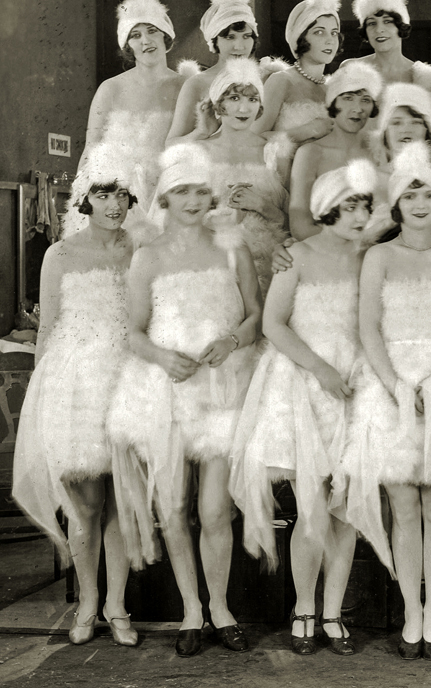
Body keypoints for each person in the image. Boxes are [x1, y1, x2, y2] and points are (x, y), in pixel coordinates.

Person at [106, 143, 261, 658]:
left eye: (200, 190)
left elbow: (255, 314)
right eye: (181, 191)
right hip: (166, 389)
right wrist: (162, 356)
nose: (193, 200)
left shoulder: (232, 246)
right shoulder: (146, 256)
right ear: (164, 199)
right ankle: (191, 611)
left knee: (215, 509)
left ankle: (220, 607)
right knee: (172, 506)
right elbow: (131, 332)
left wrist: (233, 340)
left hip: (221, 387)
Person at [231, 160, 377, 656]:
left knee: (347, 511)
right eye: (348, 207)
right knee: (312, 509)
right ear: (327, 210)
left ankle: (334, 614)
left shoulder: (370, 259)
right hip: (305, 386)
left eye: (364, 206)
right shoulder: (296, 256)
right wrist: (320, 369)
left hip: (356, 388)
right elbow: (273, 323)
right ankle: (304, 610)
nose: (358, 216)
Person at [344, 143, 431, 661]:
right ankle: (410, 610)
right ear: (396, 203)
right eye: (409, 194)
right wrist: (395, 385)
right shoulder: (378, 255)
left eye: (427, 192)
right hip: (391, 385)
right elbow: (367, 326)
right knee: (403, 503)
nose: (419, 202)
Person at [12, 144, 144, 648]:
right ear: (86, 198)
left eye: (122, 194)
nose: (114, 204)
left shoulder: (140, 250)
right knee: (86, 504)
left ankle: (117, 604)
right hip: (76, 386)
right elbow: (47, 332)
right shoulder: (60, 253)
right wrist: (42, 402)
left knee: (121, 503)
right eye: (104, 193)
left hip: (128, 383)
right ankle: (88, 601)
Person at [82, 0, 186, 212]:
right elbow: (91, 149)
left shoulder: (185, 86)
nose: (145, 41)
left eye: (152, 31)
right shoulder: (110, 89)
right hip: (120, 197)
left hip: (169, 194)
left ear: (164, 35)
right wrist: (82, 203)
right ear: (127, 45)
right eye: (135, 35)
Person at [197, 58, 290, 295]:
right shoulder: (199, 152)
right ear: (219, 105)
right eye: (234, 98)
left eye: (252, 99)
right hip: (215, 265)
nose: (243, 108)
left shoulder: (274, 151)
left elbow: (291, 223)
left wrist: (261, 205)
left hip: (272, 267)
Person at [289, 62, 383, 240]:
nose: (357, 108)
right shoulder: (310, 153)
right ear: (333, 101)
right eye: (348, 98)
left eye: (365, 100)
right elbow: (299, 226)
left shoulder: (378, 152)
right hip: (324, 253)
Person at [165, 0, 259, 146]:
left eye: (246, 36)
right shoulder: (197, 83)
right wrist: (202, 132)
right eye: (230, 37)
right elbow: (171, 144)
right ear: (215, 41)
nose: (240, 46)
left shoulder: (265, 77)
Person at [252, 0, 340, 146]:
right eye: (319, 32)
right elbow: (253, 140)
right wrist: (307, 130)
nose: (330, 40)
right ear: (300, 37)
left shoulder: (333, 88)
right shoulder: (282, 81)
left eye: (334, 32)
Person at [343, 0, 431, 99]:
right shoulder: (351, 68)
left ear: (401, 26)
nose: (379, 30)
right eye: (372, 23)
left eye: (387, 21)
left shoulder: (421, 76)